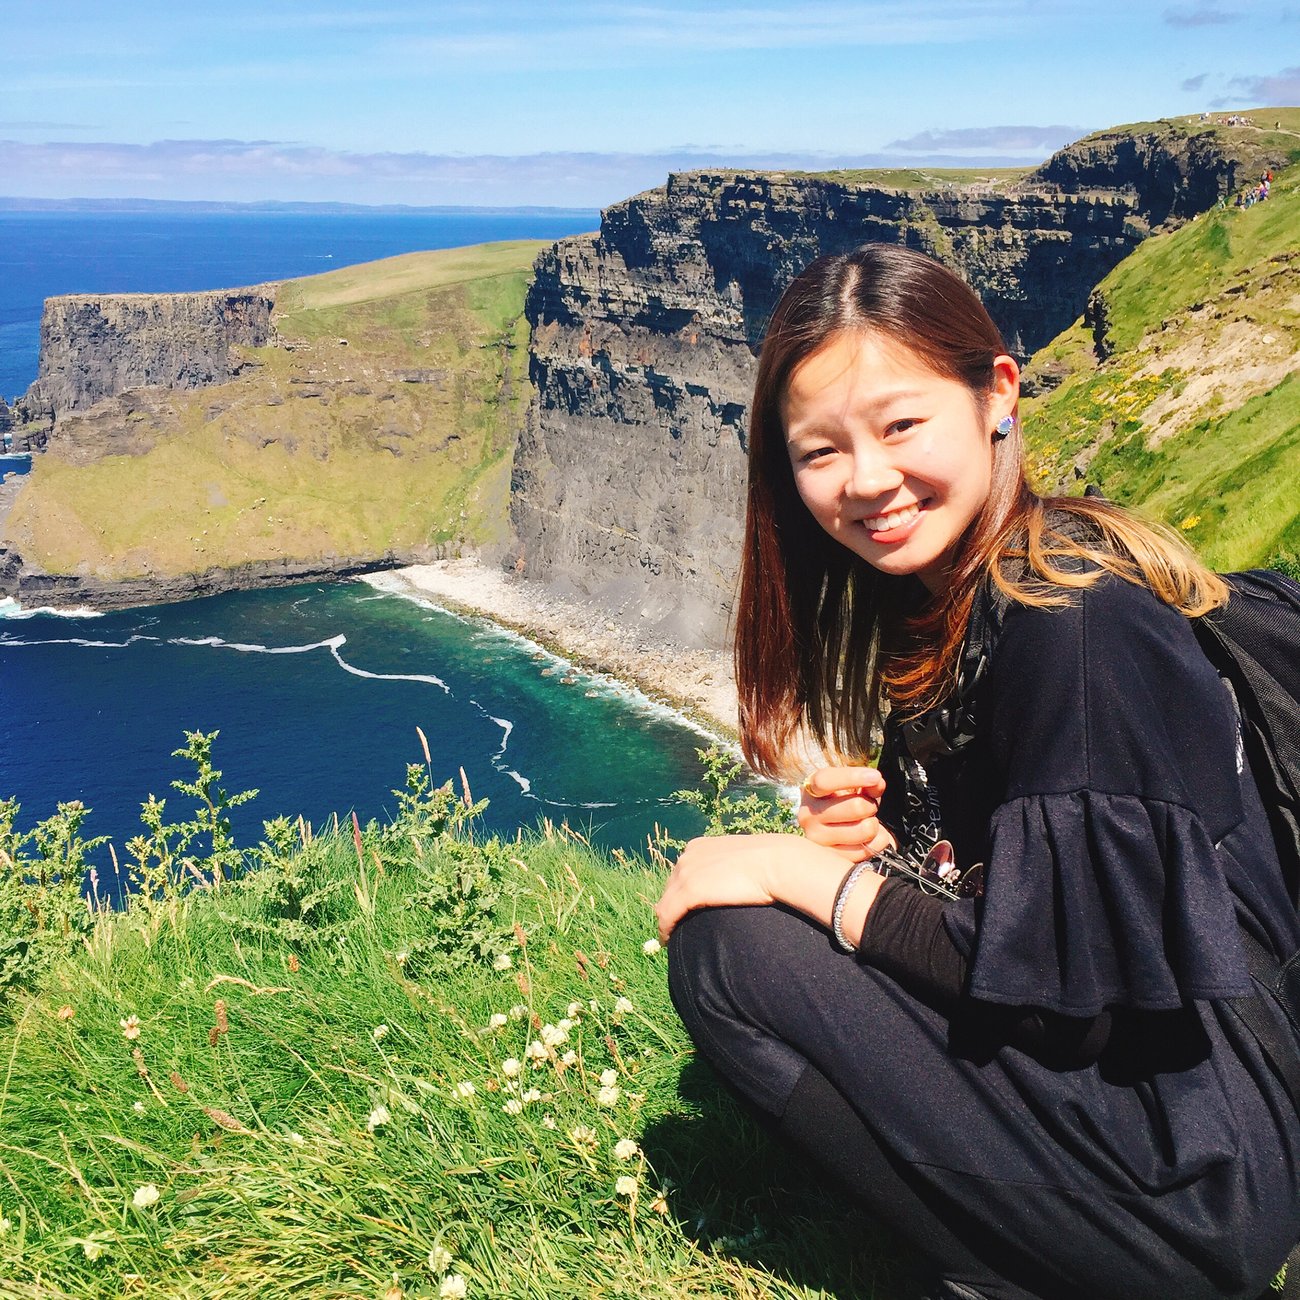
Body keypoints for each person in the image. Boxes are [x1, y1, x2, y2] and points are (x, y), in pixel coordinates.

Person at [654, 244, 1300, 1300]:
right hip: (1176, 1115)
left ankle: (1027, 1269)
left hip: (1201, 1170)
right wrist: (888, 860)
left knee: (733, 954)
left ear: (996, 393)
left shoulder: (1073, 627)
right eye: (819, 451)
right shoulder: (969, 592)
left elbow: (1067, 1000)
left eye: (900, 425)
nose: (866, 480)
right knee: (746, 941)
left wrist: (812, 879)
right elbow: (1032, 897)